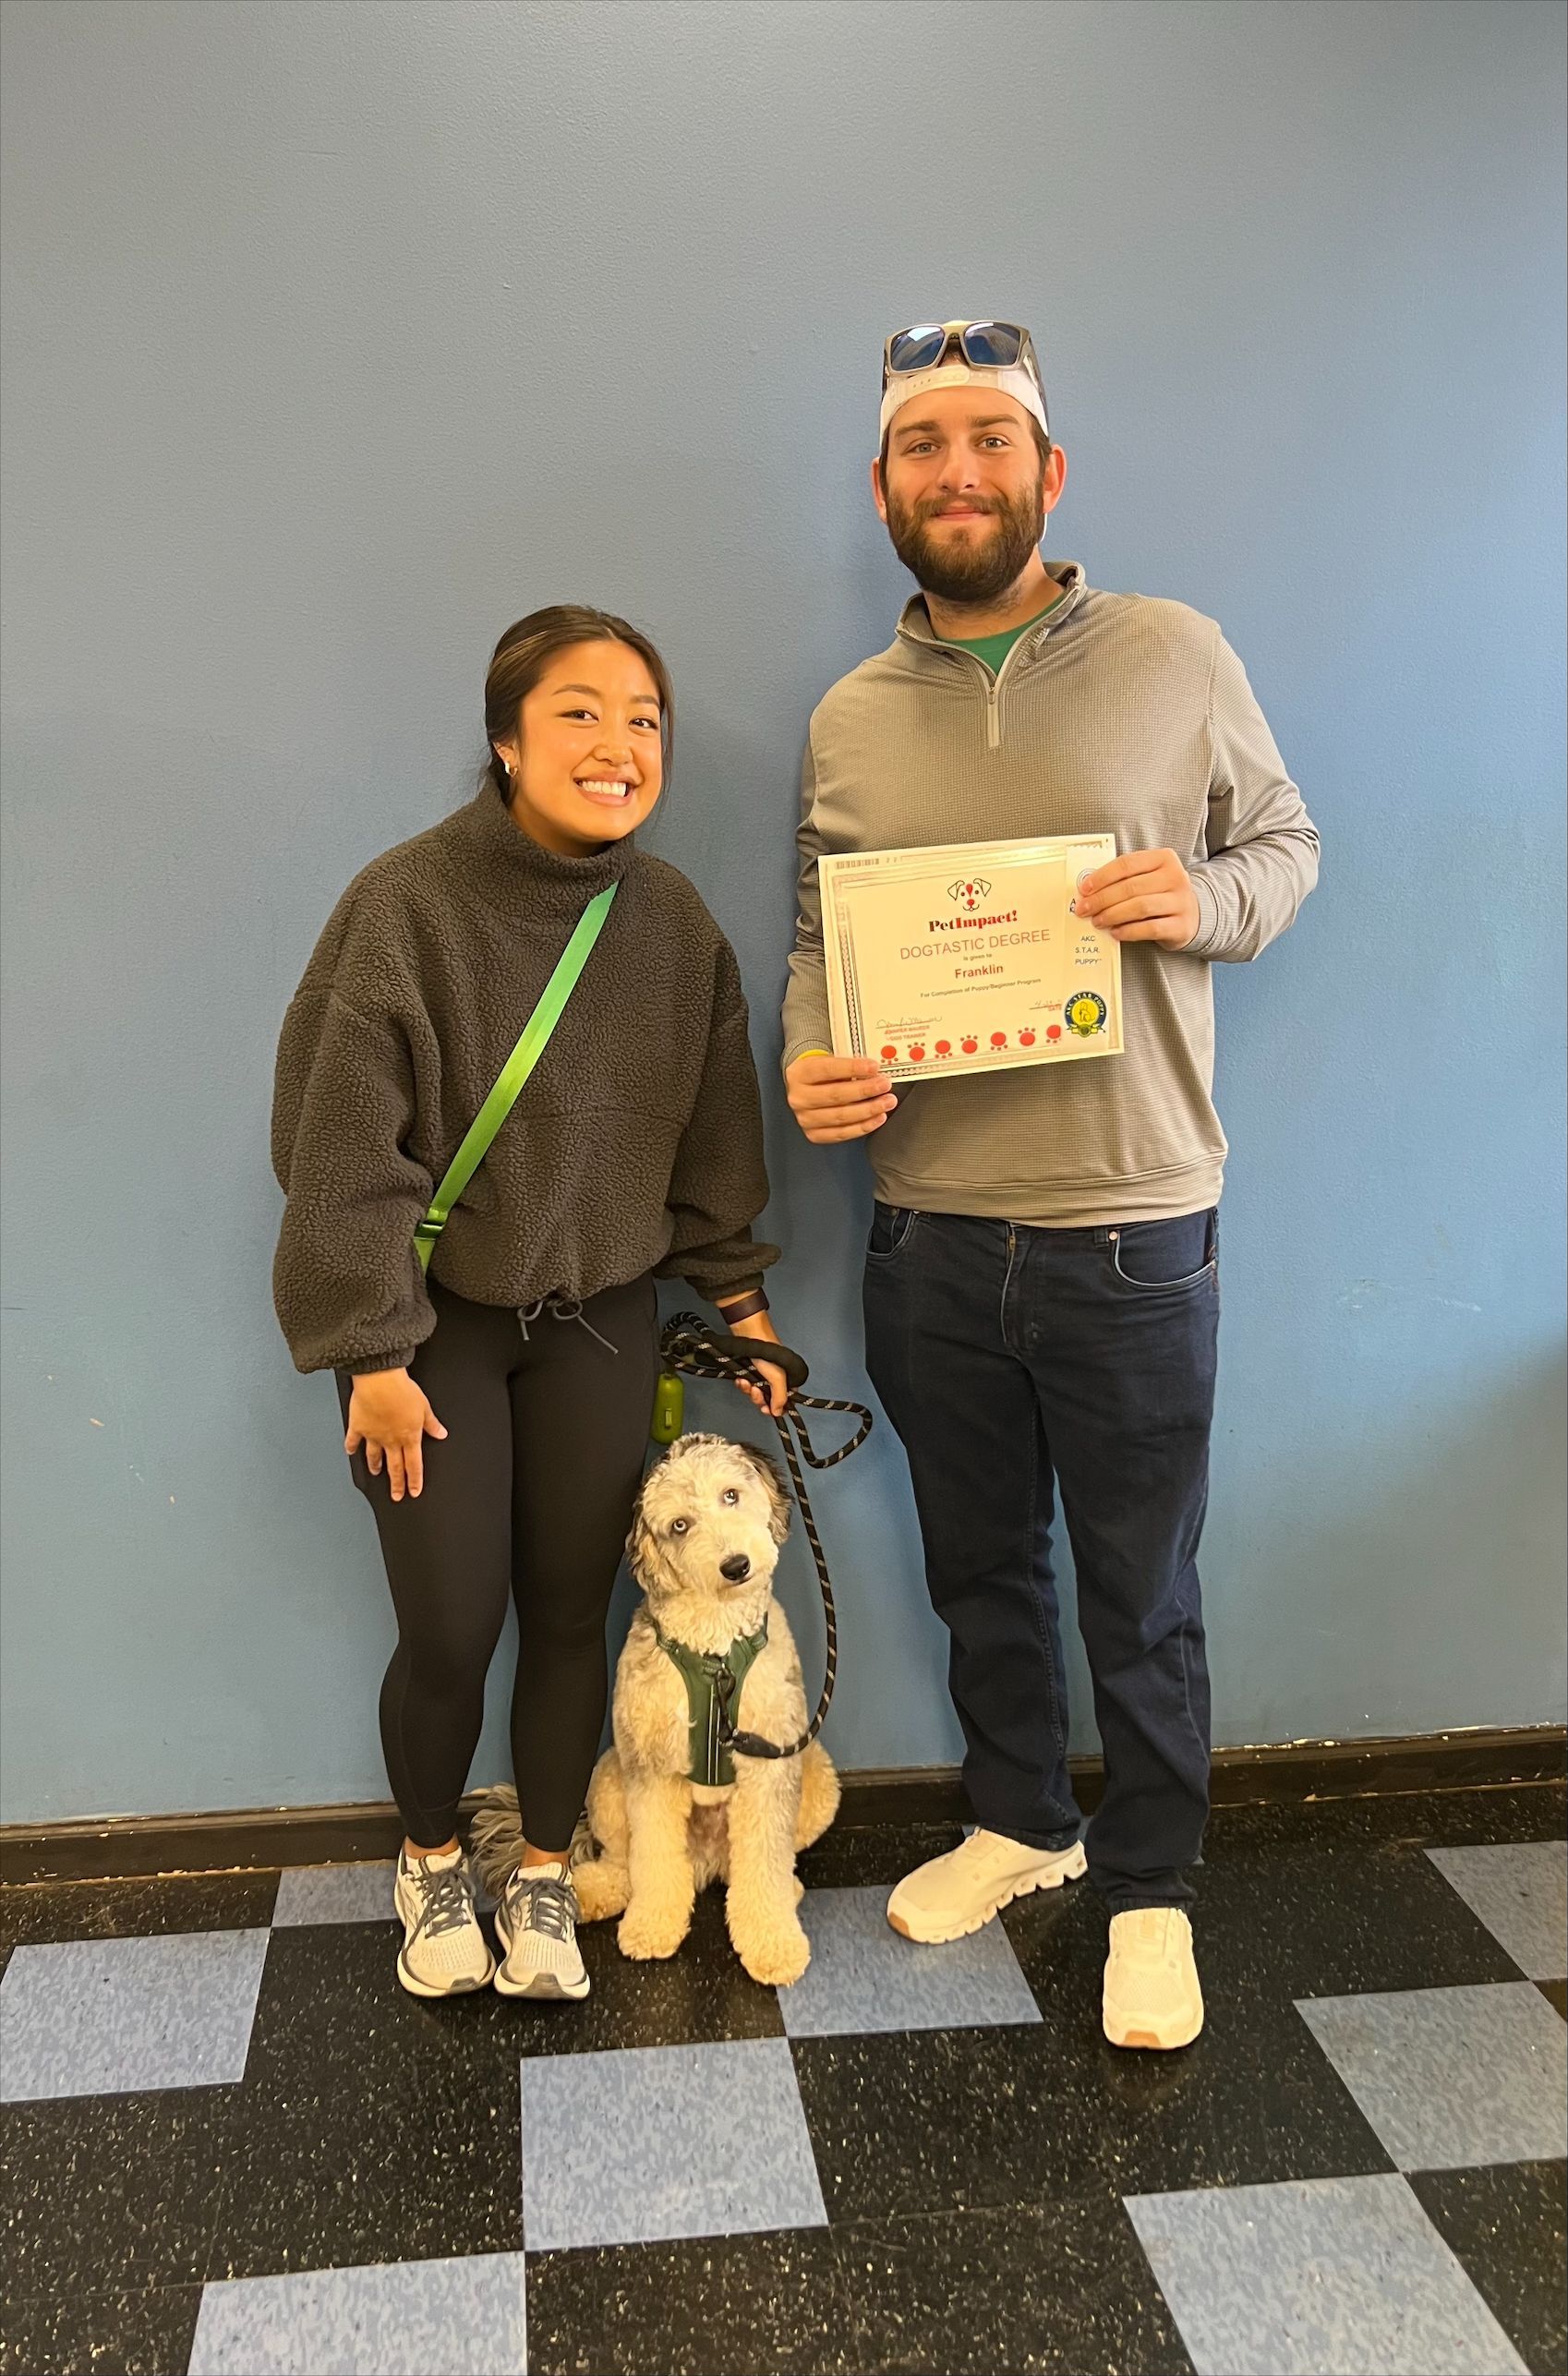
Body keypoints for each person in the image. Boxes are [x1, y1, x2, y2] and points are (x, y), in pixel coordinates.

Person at [782, 321, 1319, 2049]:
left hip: (1132, 1228)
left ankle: (1150, 1887)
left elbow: (1286, 845)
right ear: (882, 488)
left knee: (1139, 1583)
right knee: (977, 1564)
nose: (958, 471)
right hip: (929, 1227)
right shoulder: (849, 716)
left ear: (1045, 473)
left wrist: (1202, 906)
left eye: (990, 442)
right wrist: (814, 1053)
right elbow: (818, 932)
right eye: (924, 445)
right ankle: (1023, 1818)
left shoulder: (1173, 652)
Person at [272, 605, 788, 2003]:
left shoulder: (672, 924)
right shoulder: (404, 908)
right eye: (578, 711)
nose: (617, 743)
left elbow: (713, 1136)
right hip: (427, 1329)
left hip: (605, 1319)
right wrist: (368, 1348)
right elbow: (333, 1153)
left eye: (643, 719)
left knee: (570, 1614)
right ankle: (434, 1853)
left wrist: (739, 1305)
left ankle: (548, 1870)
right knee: (450, 1624)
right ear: (505, 739)